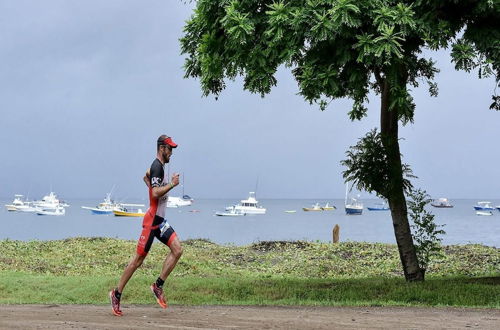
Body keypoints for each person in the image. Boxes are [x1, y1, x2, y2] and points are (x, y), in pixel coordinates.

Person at [109, 135, 183, 316]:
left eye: (172, 149)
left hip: (161, 222)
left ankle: (158, 286)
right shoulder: (157, 166)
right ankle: (116, 294)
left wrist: (151, 187)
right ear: (161, 148)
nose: (171, 153)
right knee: (137, 261)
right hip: (151, 223)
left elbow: (145, 177)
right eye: (169, 149)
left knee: (177, 250)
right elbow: (156, 192)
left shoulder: (159, 168)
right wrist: (171, 185)